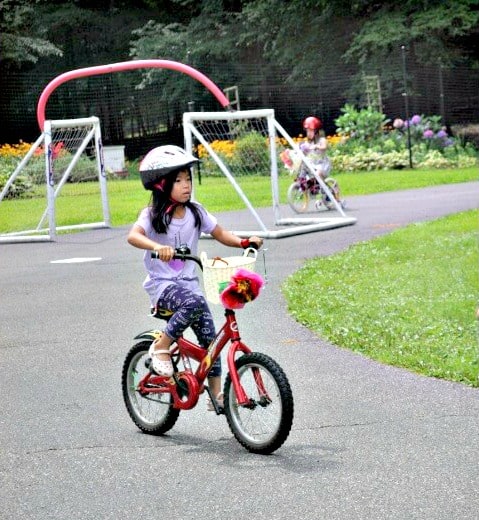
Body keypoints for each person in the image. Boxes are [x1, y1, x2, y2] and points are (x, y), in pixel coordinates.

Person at [127, 145, 263, 409]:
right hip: (162, 286)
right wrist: (157, 248)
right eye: (178, 180)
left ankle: (216, 396)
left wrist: (243, 242)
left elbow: (221, 233)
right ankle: (161, 347)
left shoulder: (196, 212)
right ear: (160, 185)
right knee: (193, 303)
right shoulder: (152, 215)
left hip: (189, 286)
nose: (186, 185)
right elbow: (133, 236)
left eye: (188, 179)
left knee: (210, 341)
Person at [299, 115, 332, 180]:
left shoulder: (322, 140)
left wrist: (317, 146)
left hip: (322, 164)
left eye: (311, 131)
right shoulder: (308, 142)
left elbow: (324, 147)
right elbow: (304, 150)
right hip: (312, 164)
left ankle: (322, 187)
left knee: (317, 174)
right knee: (302, 172)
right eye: (307, 131)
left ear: (317, 131)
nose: (309, 133)